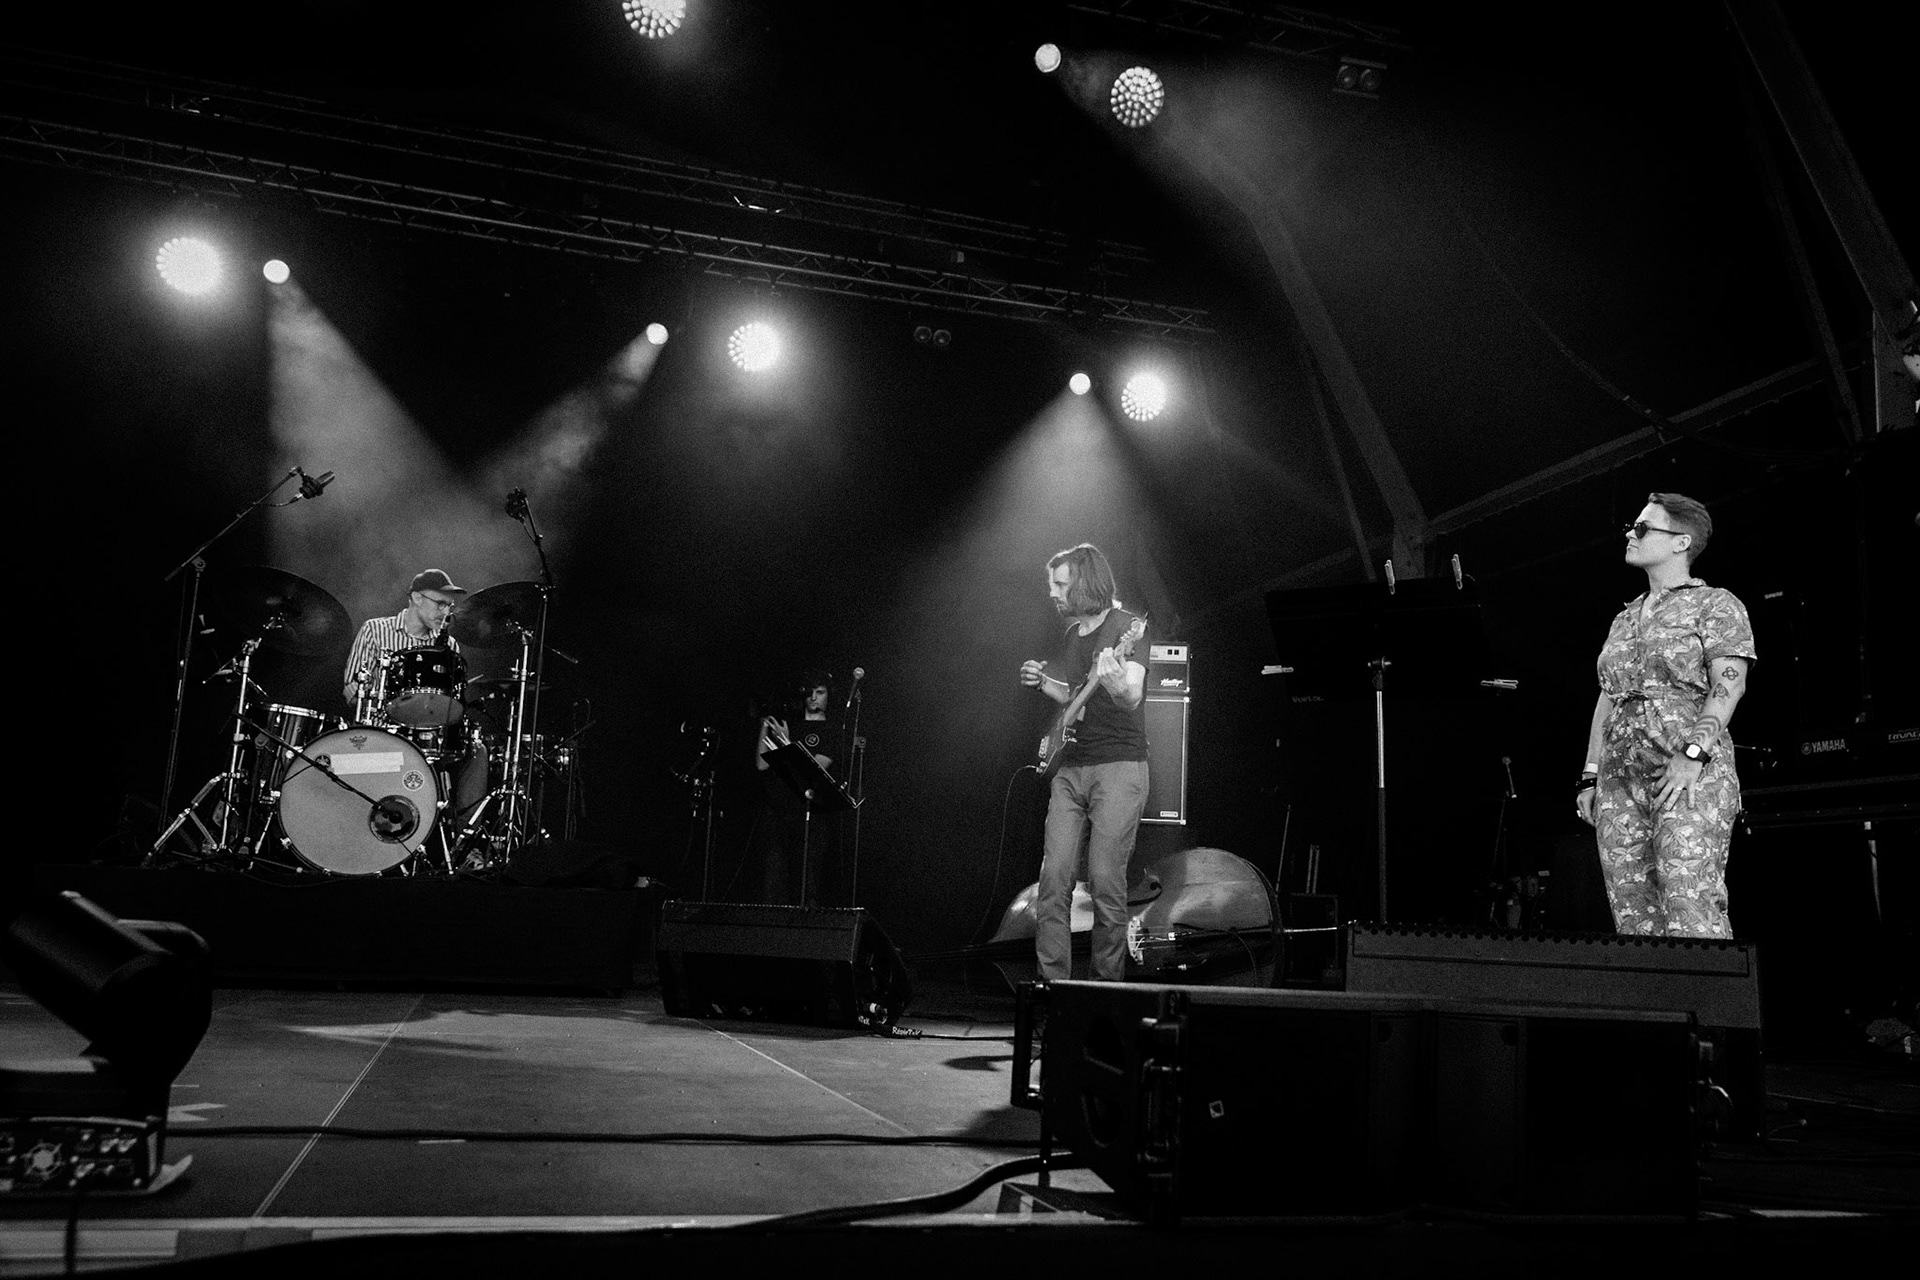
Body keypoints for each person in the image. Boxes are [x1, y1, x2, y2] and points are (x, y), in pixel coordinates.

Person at [1576, 493, 1755, 938]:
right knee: (1634, 919)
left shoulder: (1715, 604)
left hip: (1686, 772)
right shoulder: (1625, 618)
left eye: (1643, 528)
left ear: (1682, 542)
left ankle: (1711, 1007)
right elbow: (1609, 694)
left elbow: (1728, 685)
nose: (1630, 535)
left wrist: (1692, 754)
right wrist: (1591, 773)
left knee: (1688, 904)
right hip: (1621, 778)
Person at [1019, 544, 1150, 980]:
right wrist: (1043, 684)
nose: (1053, 592)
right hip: (1069, 769)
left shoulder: (1127, 628)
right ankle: (1053, 988)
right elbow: (1076, 697)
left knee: (1105, 882)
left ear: (1085, 581)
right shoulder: (1073, 635)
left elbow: (1131, 694)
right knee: (1053, 880)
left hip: (1118, 768)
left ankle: (1104, 992)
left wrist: (1117, 685)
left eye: (1060, 583)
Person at [341, 569, 489, 828]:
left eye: (449, 606)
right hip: (382, 730)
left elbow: (450, 700)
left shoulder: (449, 646)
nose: (445, 613)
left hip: (430, 734)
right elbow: (351, 691)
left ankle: (465, 843)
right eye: (440, 604)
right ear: (417, 598)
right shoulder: (375, 630)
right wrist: (382, 696)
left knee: (477, 751)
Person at [754, 672, 840, 905]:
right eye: (809, 693)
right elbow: (762, 764)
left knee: (805, 883)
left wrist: (787, 743)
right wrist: (764, 726)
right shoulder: (790, 725)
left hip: (810, 814)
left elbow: (815, 771)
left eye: (820, 692)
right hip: (778, 813)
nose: (814, 698)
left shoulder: (832, 731)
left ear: (828, 697)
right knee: (773, 881)